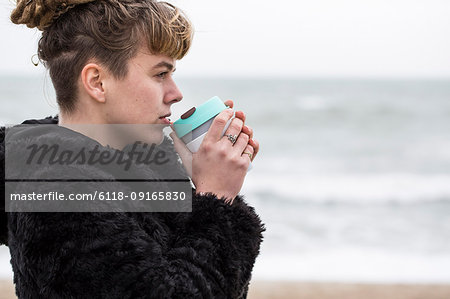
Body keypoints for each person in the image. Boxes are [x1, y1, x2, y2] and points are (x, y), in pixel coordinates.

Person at [0, 0, 264, 298]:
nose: (176, 94)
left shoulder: (140, 166)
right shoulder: (56, 188)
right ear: (97, 82)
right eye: (160, 74)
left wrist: (198, 187)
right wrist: (217, 198)